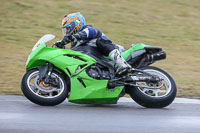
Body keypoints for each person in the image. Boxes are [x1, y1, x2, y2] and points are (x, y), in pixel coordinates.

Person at [54, 12, 132, 75]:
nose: (67, 32)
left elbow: (84, 34)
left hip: (108, 53)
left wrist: (68, 39)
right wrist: (61, 46)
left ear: (77, 24)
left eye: (68, 28)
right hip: (95, 60)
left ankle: (122, 64)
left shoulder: (88, 29)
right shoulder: (74, 44)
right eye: (66, 30)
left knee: (100, 41)